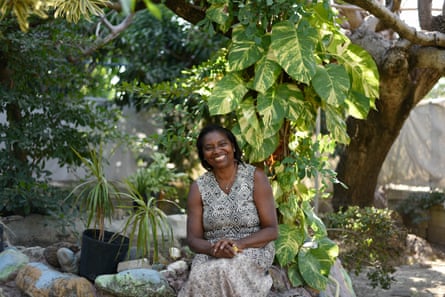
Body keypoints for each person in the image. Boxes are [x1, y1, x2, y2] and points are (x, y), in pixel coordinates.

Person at [178, 124, 279, 297]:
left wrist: (238, 245)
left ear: (232, 146)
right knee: (203, 273)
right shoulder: (198, 188)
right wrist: (213, 249)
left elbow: (272, 230)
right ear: (203, 155)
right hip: (212, 251)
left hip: (251, 247)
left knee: (226, 269)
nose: (216, 151)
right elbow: (193, 239)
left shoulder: (255, 177)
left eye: (222, 144)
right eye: (209, 148)